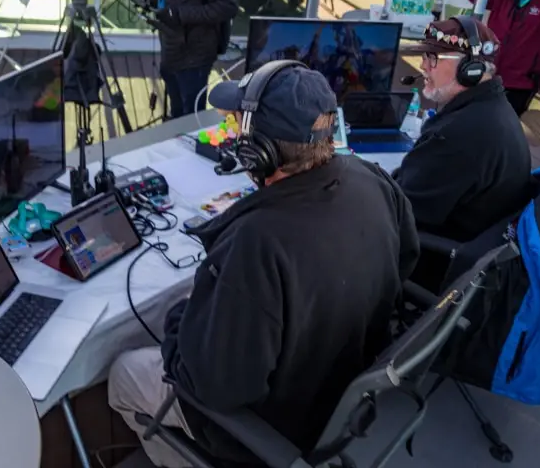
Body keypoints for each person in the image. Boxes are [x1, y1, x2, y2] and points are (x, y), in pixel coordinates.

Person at [108, 62, 421, 467]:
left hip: (277, 426)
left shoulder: (256, 243)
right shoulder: (373, 178)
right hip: (341, 386)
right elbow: (406, 260)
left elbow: (217, 387)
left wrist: (179, 325)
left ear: (259, 151)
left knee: (123, 373)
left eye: (240, 125)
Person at [394, 18, 532, 288]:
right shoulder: (492, 110)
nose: (423, 65)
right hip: (462, 243)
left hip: (431, 262)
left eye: (433, 58)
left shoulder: (461, 134)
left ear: (471, 69)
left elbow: (398, 211)